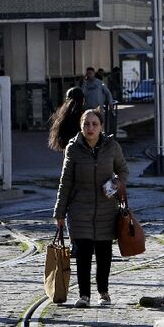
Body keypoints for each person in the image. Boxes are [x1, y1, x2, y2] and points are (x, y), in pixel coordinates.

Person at [53, 108, 129, 307]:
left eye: (94, 124)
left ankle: (103, 292)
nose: (90, 128)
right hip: (79, 210)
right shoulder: (73, 148)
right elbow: (66, 182)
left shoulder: (111, 146)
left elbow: (123, 170)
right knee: (83, 253)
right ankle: (84, 295)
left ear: (101, 127)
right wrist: (59, 213)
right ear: (81, 126)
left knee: (104, 252)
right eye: (86, 124)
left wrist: (115, 184)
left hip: (106, 208)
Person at [47, 87, 85, 152]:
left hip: (68, 149)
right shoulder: (84, 115)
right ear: (82, 99)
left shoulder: (63, 115)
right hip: (81, 151)